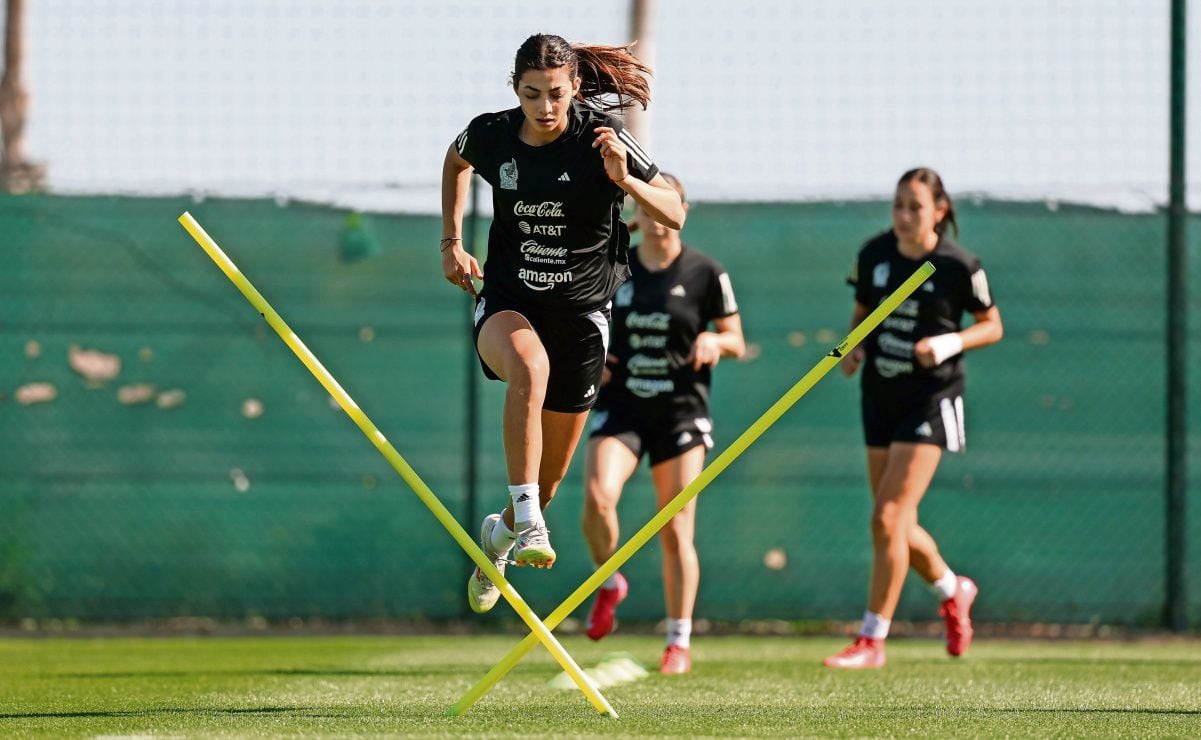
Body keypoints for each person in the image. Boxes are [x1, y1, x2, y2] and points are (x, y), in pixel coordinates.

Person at [441, 33, 686, 614]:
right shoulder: (492, 134)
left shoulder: (602, 140)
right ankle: (526, 523)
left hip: (581, 315)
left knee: (548, 485)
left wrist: (625, 180)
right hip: (508, 299)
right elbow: (455, 160)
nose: (544, 107)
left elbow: (674, 211)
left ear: (575, 88)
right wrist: (452, 242)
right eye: (531, 94)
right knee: (530, 366)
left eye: (555, 94)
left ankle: (498, 539)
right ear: (515, 90)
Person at [824, 167, 1003, 669]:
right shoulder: (874, 255)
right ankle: (953, 588)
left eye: (915, 207)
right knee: (898, 524)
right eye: (898, 204)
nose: (904, 216)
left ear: (939, 211)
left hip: (931, 397)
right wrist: (852, 348)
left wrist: (949, 342)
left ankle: (872, 639)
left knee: (886, 518)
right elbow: (862, 316)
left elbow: (992, 326)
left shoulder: (958, 265)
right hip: (880, 393)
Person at [579, 173, 744, 675]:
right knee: (598, 500)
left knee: (675, 526)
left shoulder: (706, 272)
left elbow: (735, 338)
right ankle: (610, 582)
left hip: (680, 413)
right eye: (645, 208)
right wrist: (595, 357)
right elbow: (588, 323)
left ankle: (678, 640)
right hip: (623, 407)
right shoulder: (616, 265)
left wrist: (715, 343)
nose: (654, 219)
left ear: (681, 210)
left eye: (664, 207)